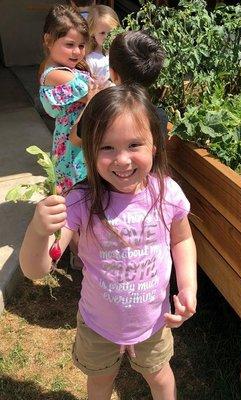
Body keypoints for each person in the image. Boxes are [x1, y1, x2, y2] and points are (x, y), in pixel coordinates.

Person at [20, 84, 197, 400]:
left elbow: (181, 240)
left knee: (159, 377)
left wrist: (187, 288)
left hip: (153, 321)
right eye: (106, 148)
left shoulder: (166, 193)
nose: (123, 160)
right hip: (98, 324)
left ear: (154, 146)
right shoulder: (78, 203)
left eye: (134, 144)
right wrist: (38, 230)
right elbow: (38, 269)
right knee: (100, 382)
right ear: (89, 150)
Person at [39, 4, 93, 193]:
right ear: (48, 40)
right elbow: (93, 92)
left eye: (81, 45)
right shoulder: (56, 75)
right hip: (72, 139)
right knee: (77, 183)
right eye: (69, 45)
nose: (77, 52)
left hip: (74, 133)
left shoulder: (67, 69)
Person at [108, 30, 168, 137]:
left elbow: (75, 139)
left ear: (113, 74)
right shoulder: (159, 116)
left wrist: (90, 101)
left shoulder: (103, 111)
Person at [86, 5, 121, 88]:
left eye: (111, 32)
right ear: (92, 34)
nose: (107, 37)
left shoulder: (120, 52)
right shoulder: (91, 60)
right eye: (102, 33)